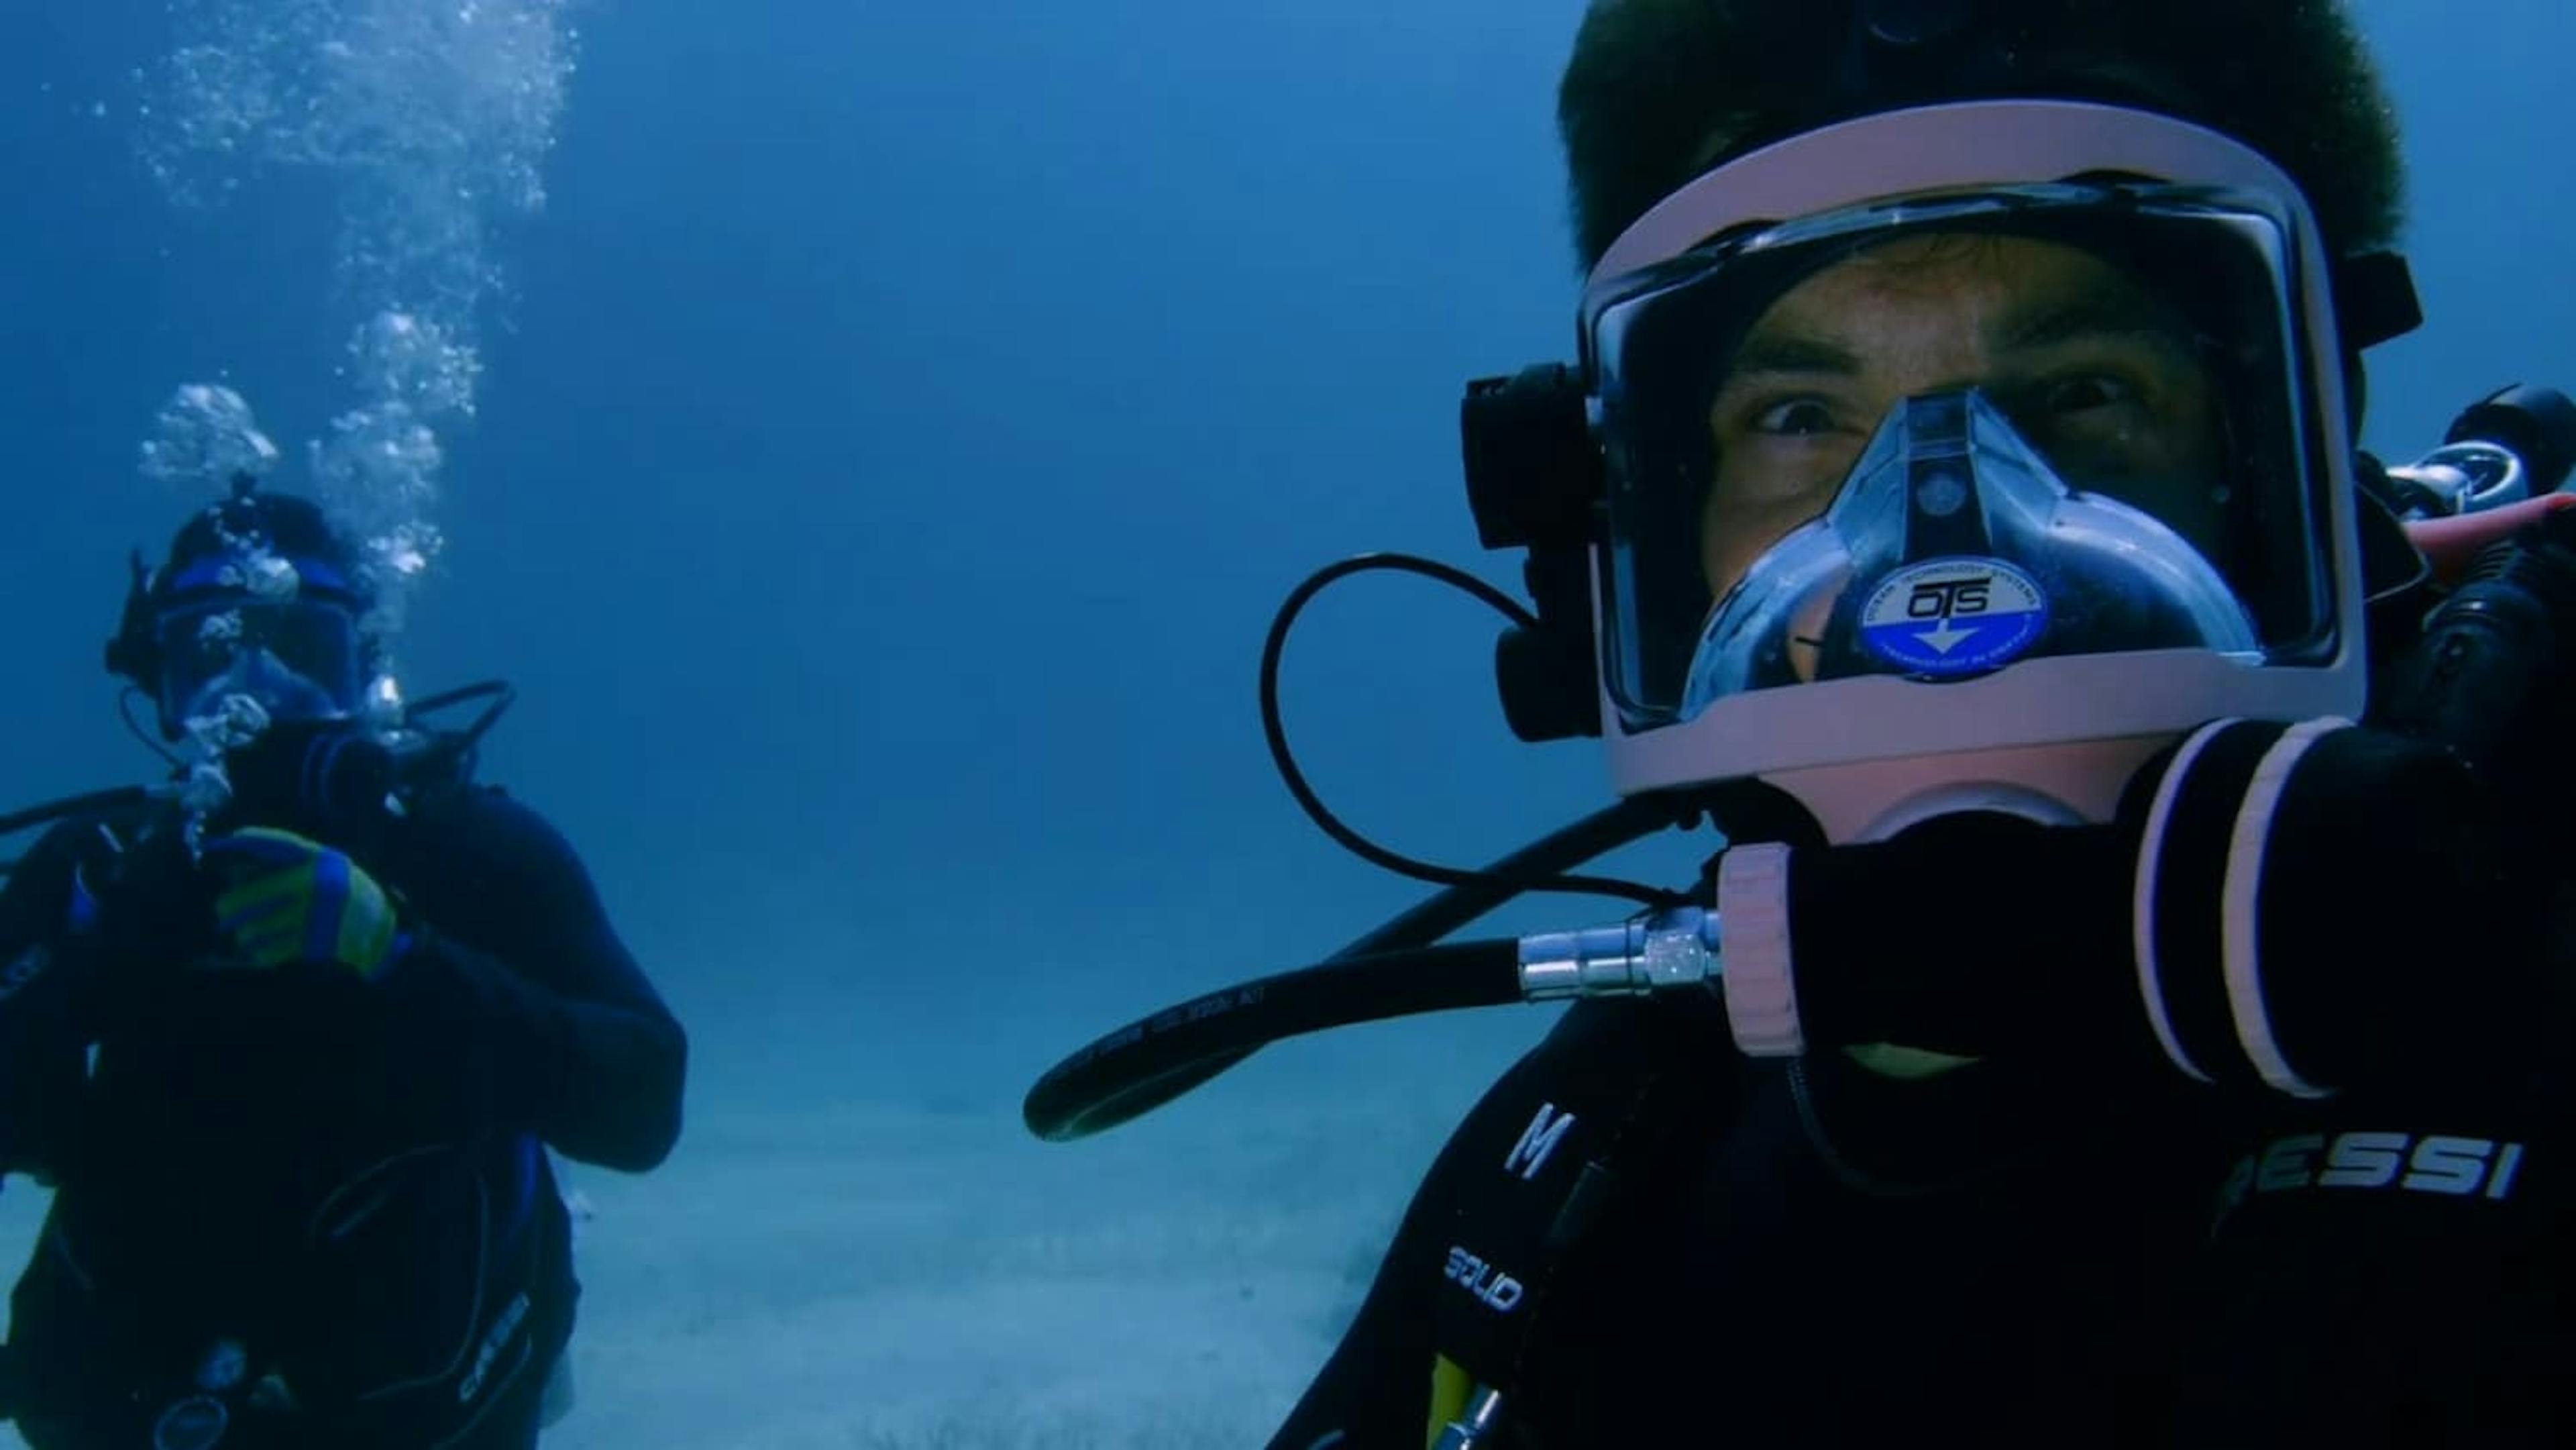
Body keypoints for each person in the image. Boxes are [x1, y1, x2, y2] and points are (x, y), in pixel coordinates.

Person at [1267, 1, 2576, 1445]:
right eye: (1797, 416)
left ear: (2285, 469)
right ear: (1643, 530)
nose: (1944, 541)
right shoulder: (1607, 1151)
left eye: (2083, 391)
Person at [0, 476, 688, 1449]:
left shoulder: (470, 854)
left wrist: (401, 957)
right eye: (212, 659)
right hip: (140, 1399)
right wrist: (50, 982)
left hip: (427, 1407)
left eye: (302, 652)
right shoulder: (102, 879)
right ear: (159, 688)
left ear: (365, 671)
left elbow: (644, 1106)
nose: (261, 698)